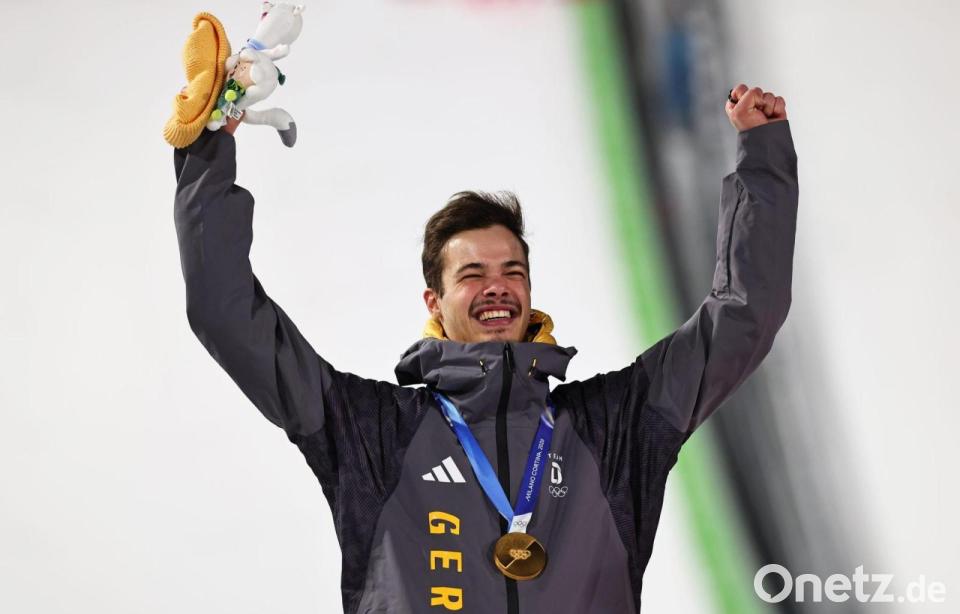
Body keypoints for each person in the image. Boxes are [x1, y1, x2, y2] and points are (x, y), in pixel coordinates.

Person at [172, 83, 797, 613]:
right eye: (472, 274)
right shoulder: (368, 434)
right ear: (435, 302)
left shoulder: (616, 426)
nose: (496, 286)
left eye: (512, 271)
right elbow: (227, 317)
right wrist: (207, 149)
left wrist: (763, 156)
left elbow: (745, 316)